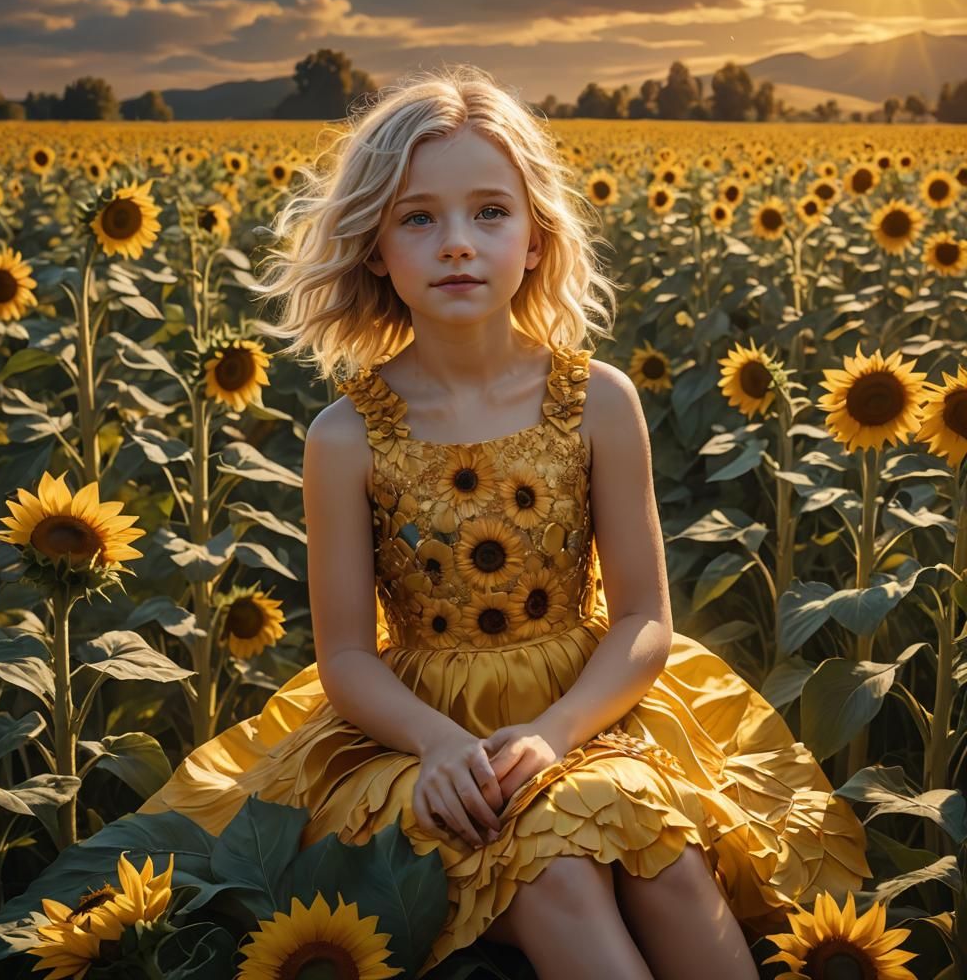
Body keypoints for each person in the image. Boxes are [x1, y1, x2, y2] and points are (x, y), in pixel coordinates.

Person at [139, 64, 871, 978]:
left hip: (588, 712)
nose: (457, 244)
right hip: (419, 737)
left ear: (533, 239)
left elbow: (644, 617)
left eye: (490, 212)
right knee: (559, 874)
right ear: (374, 247)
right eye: (419, 218)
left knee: (672, 869)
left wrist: (558, 732)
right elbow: (346, 659)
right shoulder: (346, 436)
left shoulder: (596, 401)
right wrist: (442, 744)